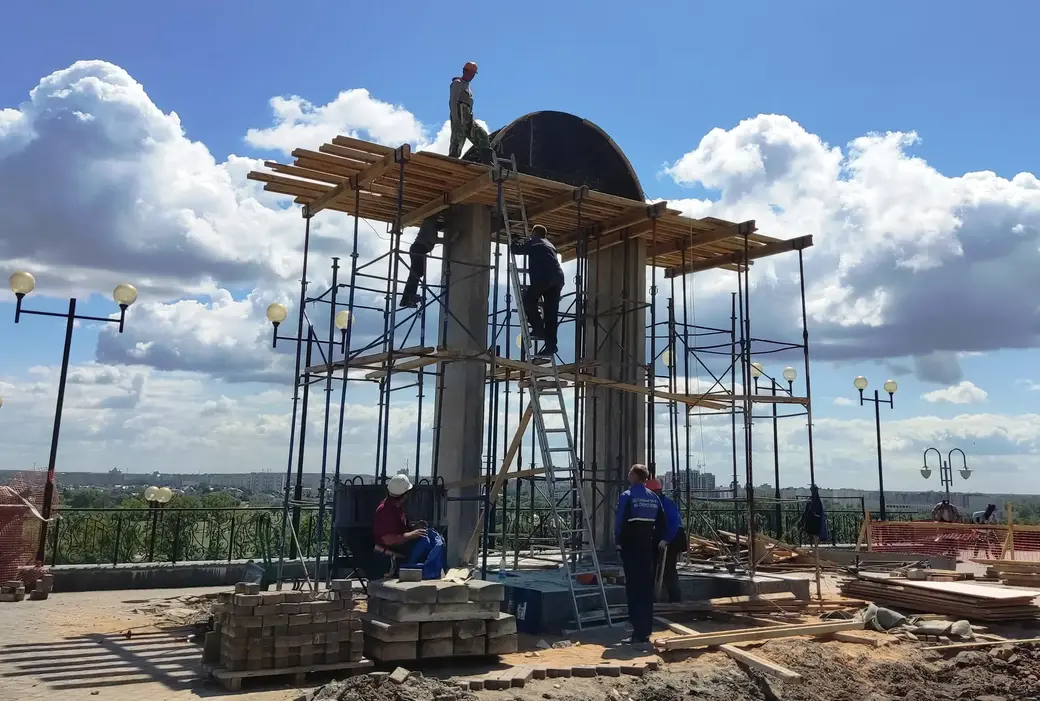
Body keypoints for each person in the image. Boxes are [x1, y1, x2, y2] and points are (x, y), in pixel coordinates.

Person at [614, 464, 665, 645]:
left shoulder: (627, 496)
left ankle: (636, 632)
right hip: (647, 548)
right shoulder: (653, 497)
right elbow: (662, 522)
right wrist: (655, 542)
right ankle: (645, 631)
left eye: (630, 472)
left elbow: (620, 521)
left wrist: (618, 542)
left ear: (634, 476)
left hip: (631, 547)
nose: (628, 474)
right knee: (646, 590)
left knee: (634, 589)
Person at [510, 224, 564, 358]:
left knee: (528, 300)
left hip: (544, 277)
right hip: (558, 278)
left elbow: (516, 250)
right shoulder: (550, 245)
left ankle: (539, 328)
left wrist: (514, 241)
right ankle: (551, 346)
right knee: (551, 313)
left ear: (534, 233)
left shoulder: (535, 241)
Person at [646, 478, 688, 603]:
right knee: (655, 567)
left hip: (674, 538)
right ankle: (654, 598)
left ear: (655, 492)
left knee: (669, 569)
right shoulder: (656, 503)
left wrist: (666, 540)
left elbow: (673, 524)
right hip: (663, 538)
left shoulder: (666, 503)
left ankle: (675, 601)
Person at [449, 62, 491, 161]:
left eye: (473, 73)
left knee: (482, 135)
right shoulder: (457, 83)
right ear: (465, 71)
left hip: (468, 115)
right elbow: (453, 101)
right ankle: (452, 160)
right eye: (471, 72)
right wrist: (456, 119)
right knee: (458, 139)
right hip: (460, 114)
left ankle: (486, 160)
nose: (472, 76)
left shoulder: (468, 86)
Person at [400, 215, 441, 308]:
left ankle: (408, 298)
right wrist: (448, 240)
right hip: (418, 249)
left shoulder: (431, 223)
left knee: (416, 273)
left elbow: (439, 226)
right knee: (415, 273)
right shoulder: (430, 222)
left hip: (418, 249)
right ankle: (408, 298)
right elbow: (434, 239)